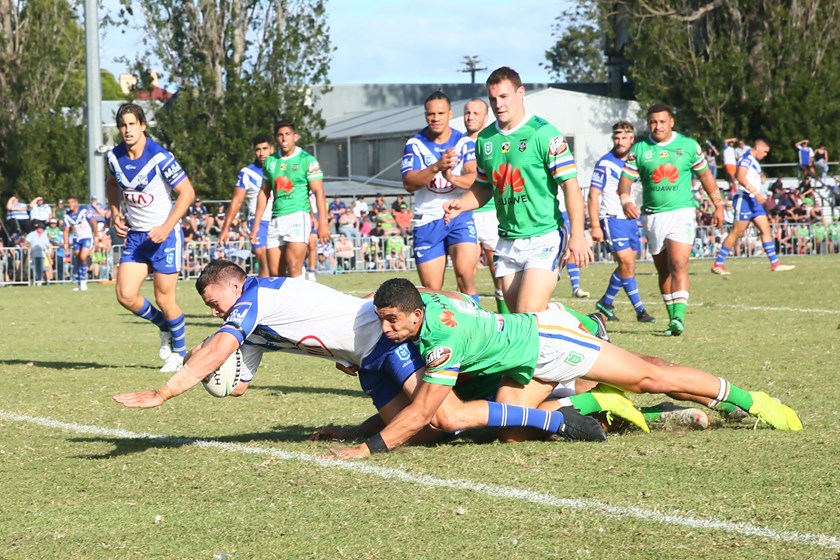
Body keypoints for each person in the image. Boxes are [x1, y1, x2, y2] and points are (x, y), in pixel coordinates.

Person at [113, 260, 616, 447]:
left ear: (233, 285)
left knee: (446, 417)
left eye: (213, 302)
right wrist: (209, 365)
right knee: (421, 433)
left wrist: (167, 390)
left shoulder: (257, 296)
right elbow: (237, 382)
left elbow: (224, 344)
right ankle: (563, 400)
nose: (214, 310)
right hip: (366, 363)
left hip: (383, 340)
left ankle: (561, 417)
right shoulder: (255, 325)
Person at [328, 278, 802, 458]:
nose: (386, 329)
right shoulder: (425, 303)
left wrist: (365, 448)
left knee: (651, 376)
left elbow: (422, 415)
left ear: (415, 314)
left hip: (549, 343)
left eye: (392, 322)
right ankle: (596, 404)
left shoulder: (441, 343)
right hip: (522, 361)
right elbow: (437, 295)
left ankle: (753, 401)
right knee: (513, 433)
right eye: (381, 320)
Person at [442, 67, 592, 315]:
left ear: (520, 92)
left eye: (504, 96)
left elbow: (571, 187)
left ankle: (587, 326)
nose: (498, 104)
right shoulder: (485, 139)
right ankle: (586, 323)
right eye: (493, 99)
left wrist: (578, 234)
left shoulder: (544, 134)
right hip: (508, 240)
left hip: (544, 235)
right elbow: (484, 187)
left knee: (527, 312)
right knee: (519, 319)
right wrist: (461, 204)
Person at [618, 103, 725, 337]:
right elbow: (625, 182)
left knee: (678, 263)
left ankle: (679, 318)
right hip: (653, 216)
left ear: (671, 122)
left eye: (662, 122)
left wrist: (718, 204)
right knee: (663, 270)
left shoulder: (689, 146)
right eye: (653, 122)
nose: (657, 126)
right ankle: (672, 318)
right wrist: (626, 201)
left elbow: (706, 175)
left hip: (682, 213)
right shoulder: (640, 150)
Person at [105, 102, 195, 373]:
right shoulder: (114, 157)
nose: (127, 130)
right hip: (136, 237)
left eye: (132, 124)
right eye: (123, 125)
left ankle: (180, 355)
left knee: (165, 300)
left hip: (164, 237)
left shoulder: (160, 157)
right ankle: (164, 326)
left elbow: (187, 193)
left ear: (143, 125)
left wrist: (167, 227)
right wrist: (114, 212)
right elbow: (111, 184)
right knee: (125, 295)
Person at [402, 91, 480, 300]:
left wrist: (451, 177)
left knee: (466, 276)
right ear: (425, 115)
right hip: (427, 219)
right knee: (432, 290)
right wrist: (436, 167)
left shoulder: (463, 142)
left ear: (450, 114)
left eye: (441, 113)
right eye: (431, 114)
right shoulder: (415, 144)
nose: (436, 118)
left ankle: (475, 319)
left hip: (459, 214)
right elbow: (409, 183)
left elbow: (475, 178)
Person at [589, 121, 656, 323]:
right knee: (626, 263)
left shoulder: (635, 162)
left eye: (624, 138)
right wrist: (595, 225)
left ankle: (606, 302)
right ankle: (640, 311)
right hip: (612, 218)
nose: (620, 141)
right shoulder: (605, 163)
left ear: (632, 139)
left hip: (630, 219)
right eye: (616, 137)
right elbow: (593, 195)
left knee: (629, 266)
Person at [252, 119, 330, 277]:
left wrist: (323, 223)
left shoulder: (307, 160)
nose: (284, 138)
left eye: (287, 134)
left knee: (293, 266)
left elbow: (319, 192)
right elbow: (264, 193)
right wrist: (256, 224)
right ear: (276, 139)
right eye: (280, 135)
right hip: (276, 219)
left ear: (295, 137)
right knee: (275, 274)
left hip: (298, 216)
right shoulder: (270, 161)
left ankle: (301, 289)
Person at [710, 139, 795, 275]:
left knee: (765, 229)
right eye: (765, 151)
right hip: (745, 199)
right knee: (737, 232)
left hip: (754, 201)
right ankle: (718, 264)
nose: (765, 155)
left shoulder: (754, 161)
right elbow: (740, 177)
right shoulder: (746, 159)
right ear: (758, 148)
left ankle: (775, 263)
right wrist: (756, 193)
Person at [463, 97, 509, 313]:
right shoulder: (458, 143)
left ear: (486, 117)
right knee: (465, 273)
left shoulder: (493, 140)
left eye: (476, 113)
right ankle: (476, 319)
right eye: (467, 113)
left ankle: (505, 317)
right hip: (466, 214)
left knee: (499, 271)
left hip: (490, 213)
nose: (470, 117)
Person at [218, 133, 274, 278]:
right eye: (258, 149)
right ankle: (264, 292)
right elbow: (236, 201)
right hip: (258, 222)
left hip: (278, 220)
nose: (261, 153)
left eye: (265, 149)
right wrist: (225, 228)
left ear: (272, 149)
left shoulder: (280, 168)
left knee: (277, 263)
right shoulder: (247, 173)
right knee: (264, 260)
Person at [63, 196, 99, 291]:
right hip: (76, 238)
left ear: (76, 203)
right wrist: (66, 243)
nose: (70, 205)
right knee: (78, 258)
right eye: (69, 203)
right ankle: (80, 282)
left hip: (86, 237)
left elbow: (94, 222)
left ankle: (83, 281)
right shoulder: (67, 216)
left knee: (83, 257)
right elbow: (66, 230)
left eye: (72, 202)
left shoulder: (83, 212)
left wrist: (96, 237)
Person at [45, 218, 65, 282]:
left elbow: (62, 242)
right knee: (48, 263)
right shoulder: (46, 231)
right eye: (51, 223)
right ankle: (48, 279)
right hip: (49, 249)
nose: (53, 224)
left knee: (59, 263)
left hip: (58, 250)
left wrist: (58, 245)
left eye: (54, 223)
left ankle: (60, 279)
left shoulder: (60, 232)